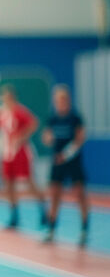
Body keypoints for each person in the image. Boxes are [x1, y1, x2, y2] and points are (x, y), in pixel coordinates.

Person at [42, 84, 89, 246]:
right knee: (54, 194)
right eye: (57, 100)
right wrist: (47, 139)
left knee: (79, 194)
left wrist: (66, 154)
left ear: (67, 100)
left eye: (62, 99)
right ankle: (51, 229)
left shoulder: (75, 118)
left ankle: (84, 229)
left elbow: (80, 139)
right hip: (57, 162)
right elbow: (46, 136)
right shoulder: (52, 119)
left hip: (73, 161)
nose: (60, 102)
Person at [0, 84, 46, 229]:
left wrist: (21, 137)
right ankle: (14, 215)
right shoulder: (1, 114)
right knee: (8, 183)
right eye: (4, 96)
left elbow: (34, 123)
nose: (6, 98)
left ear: (13, 96)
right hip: (7, 153)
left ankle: (43, 210)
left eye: (8, 95)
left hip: (20, 152)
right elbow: (0, 130)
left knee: (28, 182)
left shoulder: (19, 111)